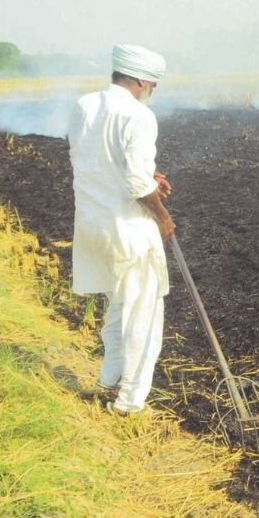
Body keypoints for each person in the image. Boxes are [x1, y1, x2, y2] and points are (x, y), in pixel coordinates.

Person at [67, 44, 174, 415]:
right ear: (142, 80)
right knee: (143, 312)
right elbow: (135, 186)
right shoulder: (140, 115)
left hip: (92, 225)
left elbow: (98, 162)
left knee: (119, 303)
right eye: (154, 84)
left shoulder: (84, 106)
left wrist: (149, 178)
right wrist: (162, 215)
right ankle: (129, 402)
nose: (153, 91)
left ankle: (107, 379)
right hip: (128, 229)